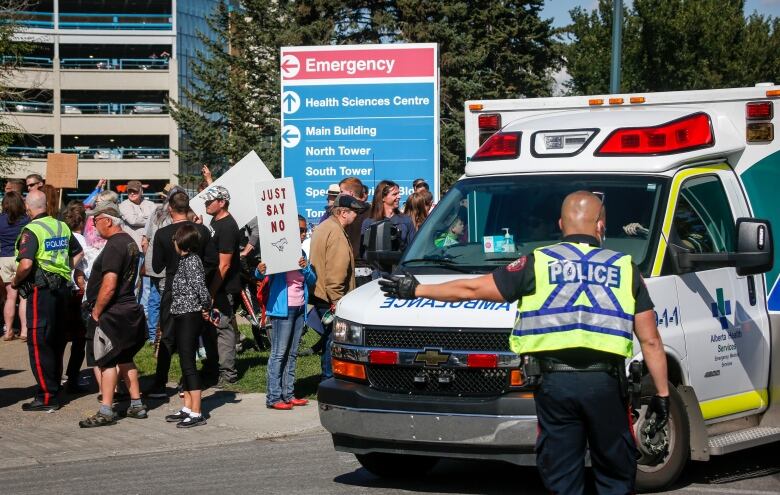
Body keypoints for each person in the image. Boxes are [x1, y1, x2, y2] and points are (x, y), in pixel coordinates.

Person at [379, 191, 670, 495]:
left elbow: (471, 288)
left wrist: (416, 289)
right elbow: (650, 341)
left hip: (555, 385)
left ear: (561, 223)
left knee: (562, 475)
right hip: (606, 386)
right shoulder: (625, 267)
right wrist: (662, 396)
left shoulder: (538, 263)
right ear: (601, 226)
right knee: (615, 473)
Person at [11, 189, 83, 412]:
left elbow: (25, 265)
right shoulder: (61, 225)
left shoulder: (31, 230)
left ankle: (46, 395)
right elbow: (78, 252)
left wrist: (15, 282)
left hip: (40, 292)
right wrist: (63, 270)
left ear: (28, 207)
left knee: (38, 341)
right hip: (61, 290)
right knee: (55, 340)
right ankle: (53, 388)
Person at [79, 201, 148, 427]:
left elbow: (109, 284)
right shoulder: (129, 242)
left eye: (95, 220)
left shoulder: (114, 246)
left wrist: (97, 311)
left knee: (107, 361)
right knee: (125, 357)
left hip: (113, 311)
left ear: (107, 220)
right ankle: (136, 404)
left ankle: (106, 410)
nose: (93, 225)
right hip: (128, 307)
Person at [148, 191, 212, 398]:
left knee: (167, 337)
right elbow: (212, 261)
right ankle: (189, 382)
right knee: (191, 339)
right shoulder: (202, 230)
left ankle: (160, 383)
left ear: (170, 209)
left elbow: (157, 266)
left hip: (172, 287)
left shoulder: (162, 233)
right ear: (189, 208)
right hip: (196, 290)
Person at [254, 215, 316, 410]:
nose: (303, 233)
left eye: (304, 230)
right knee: (279, 354)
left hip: (299, 308)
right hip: (282, 309)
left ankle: (288, 395)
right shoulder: (277, 251)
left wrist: (305, 269)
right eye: (299, 230)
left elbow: (312, 280)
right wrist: (260, 270)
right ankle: (273, 397)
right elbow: (261, 274)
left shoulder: (301, 255)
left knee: (292, 353)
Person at [310, 194, 368, 379]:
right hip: (331, 298)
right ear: (343, 212)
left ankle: (326, 376)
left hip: (320, 294)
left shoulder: (324, 227)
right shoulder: (336, 233)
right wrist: (337, 301)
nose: (357, 216)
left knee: (329, 337)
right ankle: (330, 377)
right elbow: (336, 273)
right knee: (333, 340)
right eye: (354, 212)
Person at [164, 224, 211, 427]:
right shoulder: (184, 260)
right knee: (185, 360)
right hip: (181, 314)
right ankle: (188, 406)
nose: (173, 241)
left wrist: (207, 305)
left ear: (181, 241)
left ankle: (197, 411)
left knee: (189, 364)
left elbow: (200, 287)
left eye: (175, 239)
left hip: (190, 314)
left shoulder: (192, 261)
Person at [202, 185, 241, 388]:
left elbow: (224, 265)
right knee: (211, 329)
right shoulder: (215, 220)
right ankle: (213, 368)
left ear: (222, 202)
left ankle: (228, 374)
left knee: (223, 328)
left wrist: (211, 292)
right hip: (214, 287)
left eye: (210, 201)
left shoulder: (227, 226)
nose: (206, 203)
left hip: (223, 289)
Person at [59, 201, 92, 392]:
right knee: (79, 338)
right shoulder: (82, 242)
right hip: (78, 291)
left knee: (62, 336)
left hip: (64, 289)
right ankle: (73, 376)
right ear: (83, 221)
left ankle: (57, 374)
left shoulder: (62, 238)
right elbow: (83, 269)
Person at [118, 179, 156, 307]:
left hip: (148, 248)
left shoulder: (150, 204)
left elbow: (156, 219)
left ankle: (144, 311)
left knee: (147, 283)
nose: (132, 193)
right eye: (130, 191)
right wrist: (148, 218)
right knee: (131, 282)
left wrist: (147, 219)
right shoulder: (123, 205)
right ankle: (131, 308)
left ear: (141, 191)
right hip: (133, 249)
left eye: (135, 191)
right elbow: (133, 220)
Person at [1, 191, 29, 341]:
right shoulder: (26, 220)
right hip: (21, 257)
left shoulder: (0, 220)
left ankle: (8, 331)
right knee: (24, 296)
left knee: (10, 297)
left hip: (4, 258)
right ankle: (24, 331)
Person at [360, 180, 416, 255]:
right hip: (376, 265)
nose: (399, 197)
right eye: (395, 194)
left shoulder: (406, 220)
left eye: (399, 193)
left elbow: (412, 249)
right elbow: (364, 252)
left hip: (399, 265)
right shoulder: (369, 222)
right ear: (383, 197)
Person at [339, 177, 371, 286]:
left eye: (341, 192)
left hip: (357, 269)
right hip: (361, 269)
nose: (339, 195)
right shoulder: (372, 212)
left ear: (351, 193)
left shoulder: (344, 215)